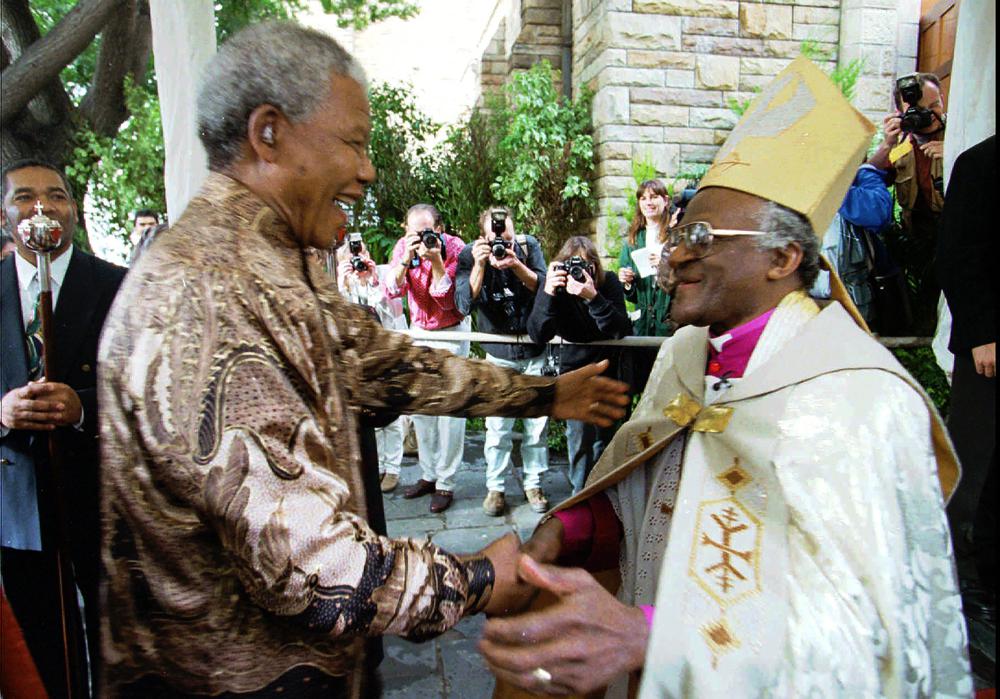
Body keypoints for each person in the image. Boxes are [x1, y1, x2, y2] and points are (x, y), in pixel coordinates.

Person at [96, 21, 629, 698]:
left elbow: (383, 362)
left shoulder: (276, 261)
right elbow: (315, 568)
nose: (367, 170)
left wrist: (543, 396)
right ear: (269, 134)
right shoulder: (211, 294)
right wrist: (482, 578)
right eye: (351, 143)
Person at [480, 57, 970, 698]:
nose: (676, 252)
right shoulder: (686, 353)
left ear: (783, 258)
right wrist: (572, 528)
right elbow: (655, 487)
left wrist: (652, 636)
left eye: (703, 235)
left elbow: (869, 641)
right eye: (680, 230)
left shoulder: (859, 397)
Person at [1, 159, 127, 697]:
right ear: (4, 215)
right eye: (25, 198)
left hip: (102, 494)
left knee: (119, 636)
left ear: (73, 209)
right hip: (18, 498)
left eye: (56, 196)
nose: (42, 208)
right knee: (42, 646)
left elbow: (154, 388)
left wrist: (82, 408)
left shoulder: (120, 285)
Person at [936, 134, 996, 627]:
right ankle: (955, 579)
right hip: (990, 349)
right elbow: (957, 256)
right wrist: (981, 334)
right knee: (973, 468)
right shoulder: (980, 163)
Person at [455, 207, 550, 516]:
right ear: (483, 236)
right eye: (495, 237)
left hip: (535, 349)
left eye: (506, 236)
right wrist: (481, 264)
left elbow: (546, 288)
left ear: (514, 232)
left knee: (537, 426)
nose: (501, 242)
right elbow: (463, 304)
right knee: (498, 427)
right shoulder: (470, 254)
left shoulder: (527, 247)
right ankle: (495, 489)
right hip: (499, 353)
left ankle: (533, 483)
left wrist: (516, 263)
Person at [527, 236, 631, 494]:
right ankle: (580, 493)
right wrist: (548, 291)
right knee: (579, 439)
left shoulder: (609, 285)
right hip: (575, 375)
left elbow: (620, 330)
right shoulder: (557, 289)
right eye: (573, 266)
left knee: (605, 438)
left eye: (586, 266)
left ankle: (603, 490)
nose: (579, 273)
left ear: (595, 267)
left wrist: (593, 297)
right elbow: (537, 333)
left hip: (608, 369)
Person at [387, 204, 470, 513]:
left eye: (425, 232)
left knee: (450, 411)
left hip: (451, 331)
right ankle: (429, 474)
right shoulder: (403, 247)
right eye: (412, 232)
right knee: (422, 409)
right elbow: (392, 291)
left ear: (439, 229)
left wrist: (435, 261)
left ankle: (446, 483)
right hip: (419, 329)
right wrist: (405, 261)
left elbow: (446, 300)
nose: (419, 237)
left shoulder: (456, 249)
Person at [869, 72, 947, 331]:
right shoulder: (901, 144)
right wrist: (887, 144)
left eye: (934, 106)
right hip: (916, 243)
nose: (928, 114)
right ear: (901, 111)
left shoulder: (963, 133)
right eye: (918, 109)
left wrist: (956, 152)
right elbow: (868, 180)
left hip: (956, 239)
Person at [335, 236, 411, 493]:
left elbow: (391, 314)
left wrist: (372, 282)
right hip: (360, 359)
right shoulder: (341, 285)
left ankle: (393, 468)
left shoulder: (383, 274)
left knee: (391, 416)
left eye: (359, 252)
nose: (356, 259)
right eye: (349, 257)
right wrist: (342, 285)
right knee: (371, 414)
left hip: (387, 352)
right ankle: (377, 466)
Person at [810, 162, 894, 325]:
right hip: (845, 303)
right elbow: (877, 213)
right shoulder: (834, 186)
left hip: (814, 303)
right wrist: (867, 170)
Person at [617, 179, 674, 398]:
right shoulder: (633, 239)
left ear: (665, 200)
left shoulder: (675, 235)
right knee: (640, 386)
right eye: (643, 198)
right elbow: (631, 295)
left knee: (666, 388)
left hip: (668, 323)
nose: (648, 202)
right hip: (643, 324)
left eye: (654, 197)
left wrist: (664, 262)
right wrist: (627, 280)